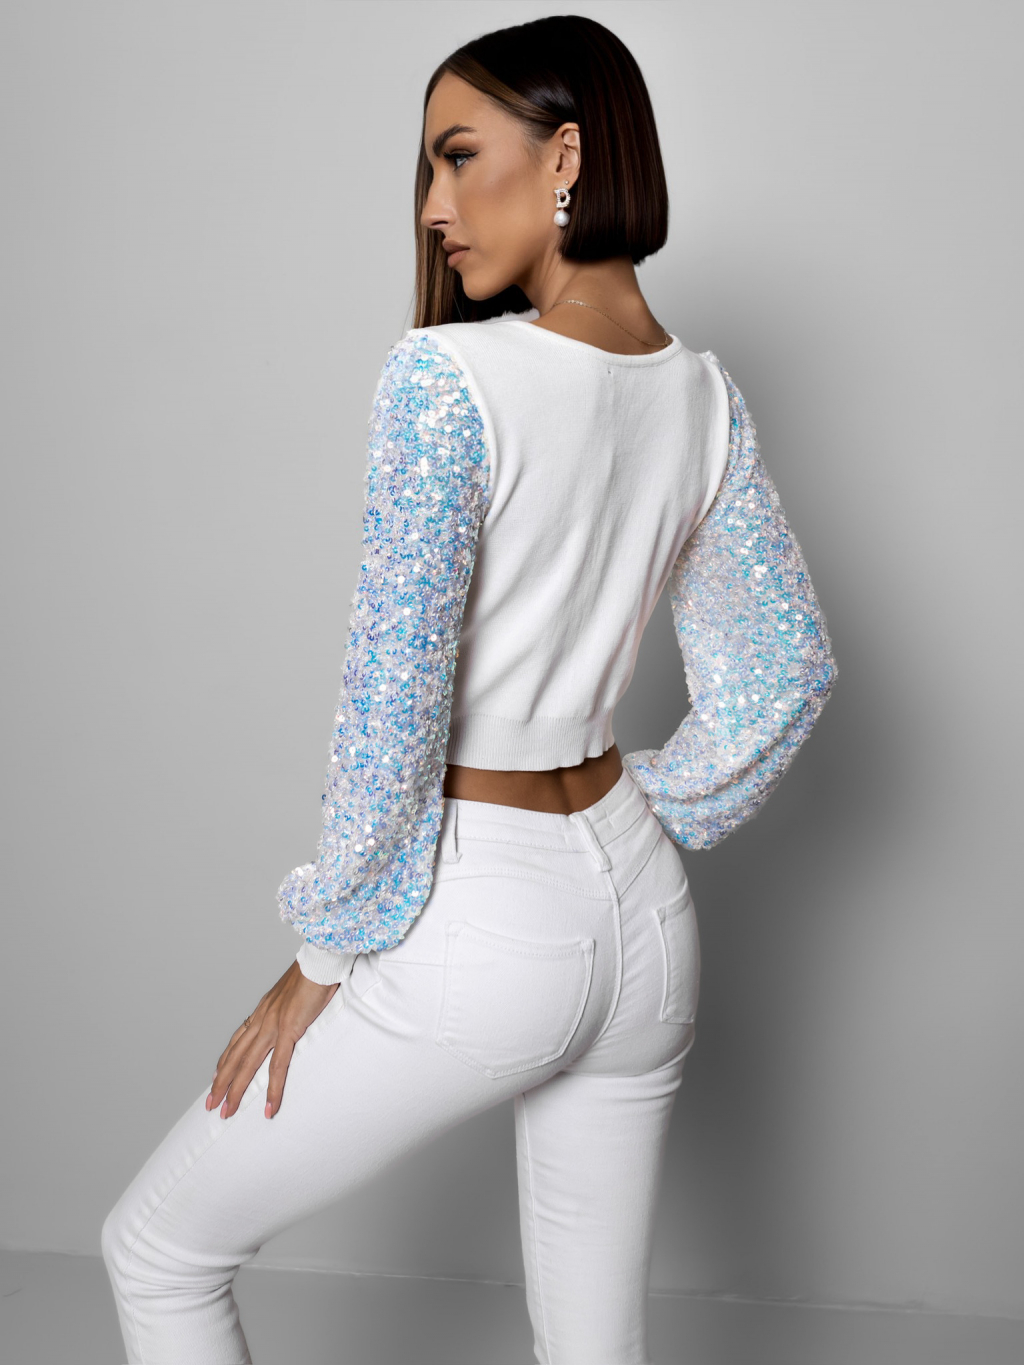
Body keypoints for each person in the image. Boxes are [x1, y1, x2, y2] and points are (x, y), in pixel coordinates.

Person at [101, 14, 837, 1365]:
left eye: (457, 156)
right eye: (427, 170)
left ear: (568, 157)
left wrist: (326, 953)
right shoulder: (701, 396)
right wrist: (649, 813)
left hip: (482, 923)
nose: (434, 207)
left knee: (156, 1250)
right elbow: (785, 662)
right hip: (645, 921)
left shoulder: (448, 378)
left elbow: (394, 701)